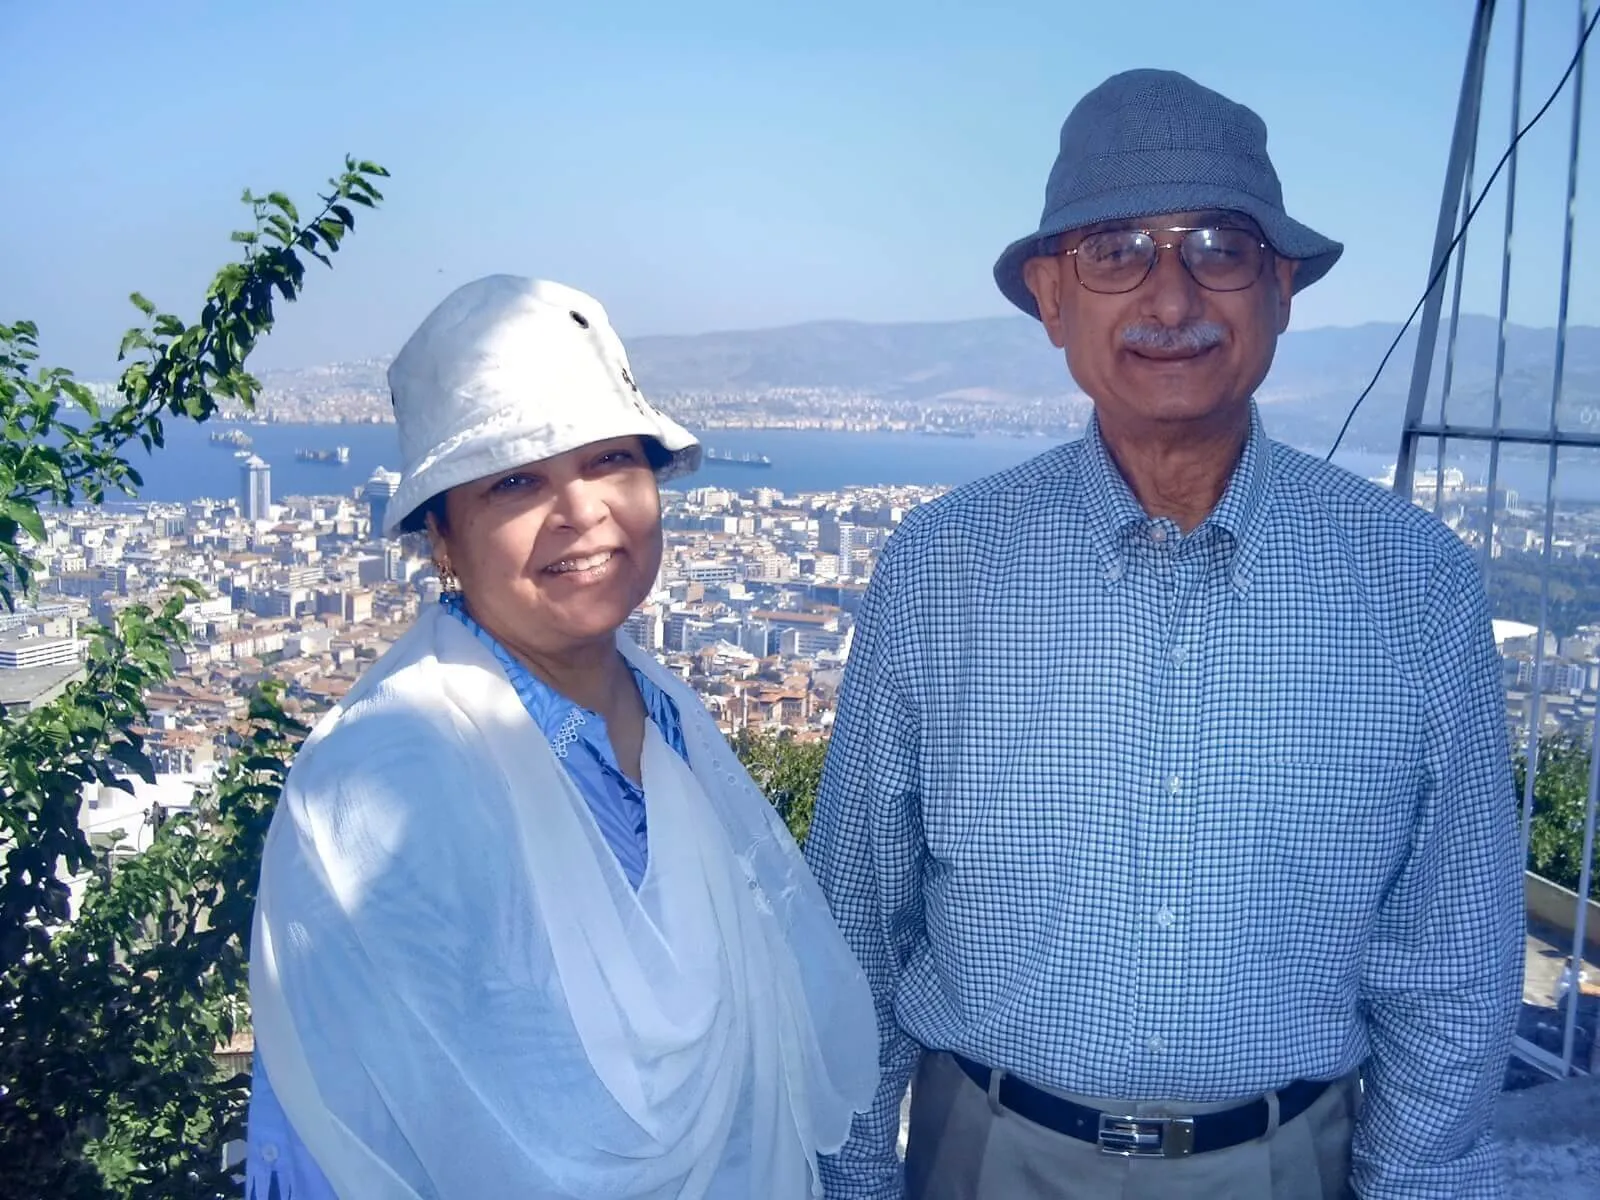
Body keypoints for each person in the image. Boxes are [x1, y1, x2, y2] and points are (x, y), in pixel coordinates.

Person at [804, 69, 1523, 1200]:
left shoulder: (1413, 583)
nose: (1172, 297)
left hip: (1287, 1164)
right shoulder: (942, 568)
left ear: (1280, 289)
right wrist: (849, 1180)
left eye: (1218, 248)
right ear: (1050, 298)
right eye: (1116, 251)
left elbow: (1452, 957)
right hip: (985, 1156)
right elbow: (856, 921)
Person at [245, 274, 877, 1199]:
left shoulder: (668, 721)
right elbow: (335, 1145)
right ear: (443, 541)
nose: (582, 512)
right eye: (515, 481)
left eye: (611, 460)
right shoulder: (387, 782)